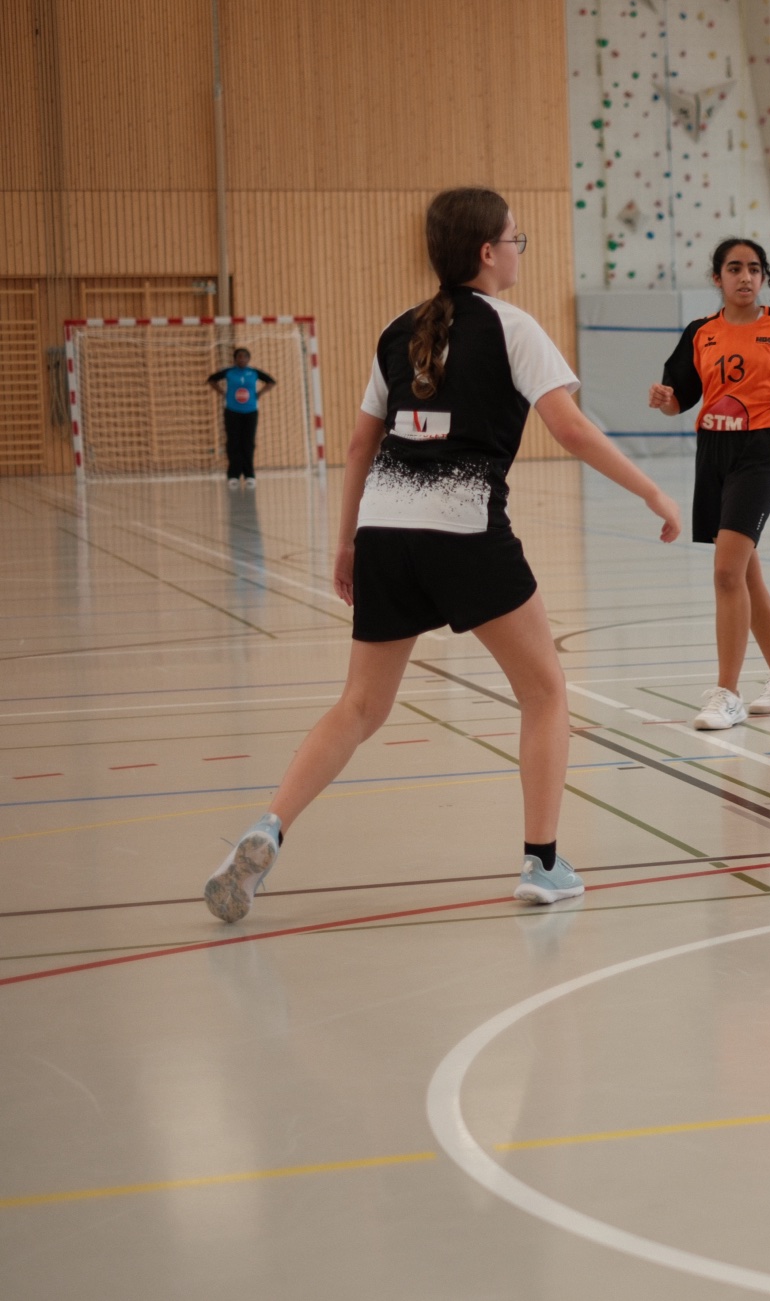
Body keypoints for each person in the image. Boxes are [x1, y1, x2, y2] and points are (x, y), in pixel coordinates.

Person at [201, 187, 682, 923]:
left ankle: (269, 826)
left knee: (360, 706)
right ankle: (542, 862)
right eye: (516, 239)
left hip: (384, 532)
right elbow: (572, 430)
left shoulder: (398, 329)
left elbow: (359, 445)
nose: (520, 250)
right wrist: (652, 491)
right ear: (488, 252)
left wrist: (346, 542)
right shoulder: (515, 328)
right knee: (545, 692)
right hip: (464, 531)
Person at [649, 239, 770, 730]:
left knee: (726, 571)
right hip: (713, 452)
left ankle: (727, 694)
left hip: (760, 451)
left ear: (763, 276)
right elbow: (678, 399)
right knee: (746, 574)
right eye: (734, 268)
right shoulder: (700, 332)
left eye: (753, 268)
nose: (745, 277)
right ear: (717, 278)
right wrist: (664, 399)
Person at [206, 346, 276, 488]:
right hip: (232, 411)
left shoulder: (254, 372)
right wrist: (222, 393)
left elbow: (271, 382)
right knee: (233, 443)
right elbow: (211, 380)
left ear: (249, 359)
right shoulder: (229, 372)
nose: (242, 359)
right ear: (235, 359)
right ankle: (233, 475)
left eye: (245, 357)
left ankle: (249, 475)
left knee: (248, 443)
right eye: (239, 356)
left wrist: (259, 394)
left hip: (250, 411)